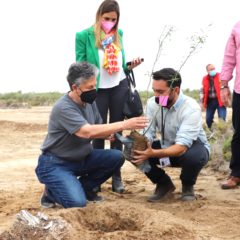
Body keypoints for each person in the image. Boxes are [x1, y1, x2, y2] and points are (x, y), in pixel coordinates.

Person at [35, 62, 148, 208]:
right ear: (75, 87)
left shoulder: (89, 102)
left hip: (82, 158)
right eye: (90, 87)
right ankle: (51, 193)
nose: (94, 90)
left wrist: (106, 135)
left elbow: (96, 128)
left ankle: (84, 188)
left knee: (116, 157)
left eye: (95, 85)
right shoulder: (63, 107)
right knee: (77, 203)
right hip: (56, 163)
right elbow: (87, 131)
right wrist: (125, 124)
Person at [75, 0, 143, 193]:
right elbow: (80, 65)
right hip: (98, 88)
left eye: (114, 19)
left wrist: (130, 65)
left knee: (117, 131)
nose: (110, 23)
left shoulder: (118, 34)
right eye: (106, 19)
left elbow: (121, 65)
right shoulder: (84, 36)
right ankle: (95, 177)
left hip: (118, 86)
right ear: (99, 16)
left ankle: (116, 177)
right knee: (100, 131)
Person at [131, 68, 210, 201]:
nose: (156, 95)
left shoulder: (190, 108)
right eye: (154, 90)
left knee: (193, 157)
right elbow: (148, 132)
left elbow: (181, 147)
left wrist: (152, 153)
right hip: (166, 145)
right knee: (132, 151)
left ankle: (188, 186)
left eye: (160, 92)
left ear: (176, 90)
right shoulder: (155, 103)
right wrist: (140, 140)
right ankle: (164, 184)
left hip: (190, 149)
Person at [220, 21, 240, 189]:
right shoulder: (237, 27)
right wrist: (224, 84)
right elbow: (229, 57)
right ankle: (236, 174)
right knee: (239, 133)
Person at [200, 64, 227, 129]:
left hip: (220, 101)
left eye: (214, 68)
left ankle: (221, 134)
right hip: (210, 102)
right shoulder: (204, 78)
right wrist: (201, 102)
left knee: (222, 119)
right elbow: (202, 90)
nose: (213, 70)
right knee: (208, 120)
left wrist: (226, 97)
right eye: (211, 69)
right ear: (207, 71)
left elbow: (226, 86)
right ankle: (213, 132)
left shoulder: (220, 76)